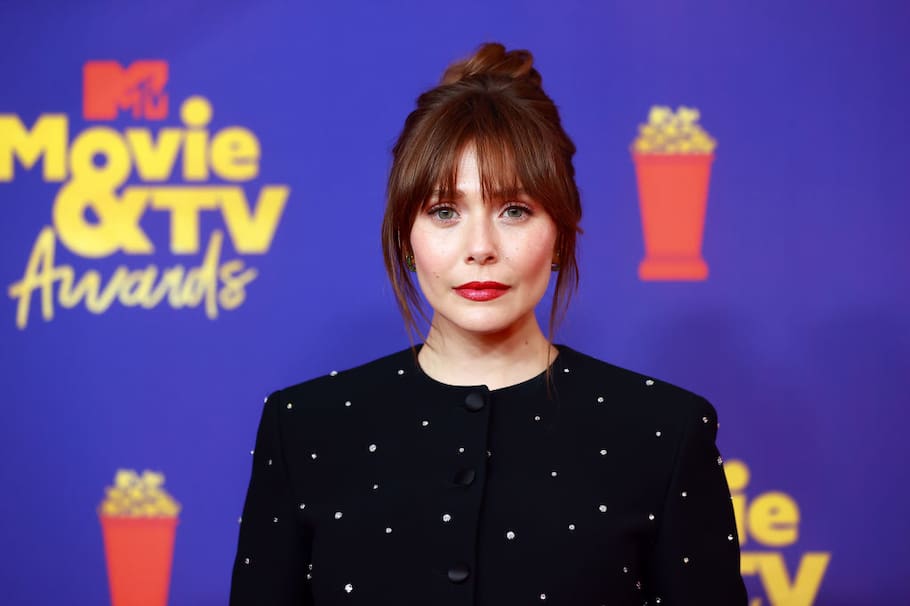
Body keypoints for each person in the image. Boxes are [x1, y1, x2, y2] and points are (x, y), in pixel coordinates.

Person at [230, 42, 747, 605]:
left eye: (515, 210)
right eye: (445, 212)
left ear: (559, 234)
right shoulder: (303, 428)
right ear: (407, 236)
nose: (481, 248)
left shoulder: (665, 432)